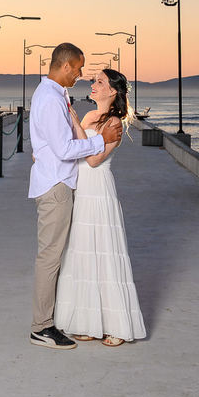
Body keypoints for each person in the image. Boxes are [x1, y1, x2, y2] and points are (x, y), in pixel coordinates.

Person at [53, 68, 147, 346]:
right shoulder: (90, 116)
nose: (93, 85)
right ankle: (90, 323)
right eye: (94, 81)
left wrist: (76, 124)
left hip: (99, 190)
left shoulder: (115, 122)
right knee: (83, 250)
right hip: (82, 190)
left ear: (112, 91)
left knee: (104, 251)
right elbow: (74, 148)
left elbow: (93, 160)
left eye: (100, 82)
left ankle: (116, 326)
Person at [28, 42, 106, 349]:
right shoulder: (49, 99)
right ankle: (41, 327)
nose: (81, 74)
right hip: (55, 185)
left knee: (53, 256)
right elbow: (62, 149)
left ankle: (46, 322)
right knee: (49, 258)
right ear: (64, 66)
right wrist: (100, 143)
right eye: (78, 67)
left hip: (56, 181)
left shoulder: (53, 96)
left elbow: (49, 145)